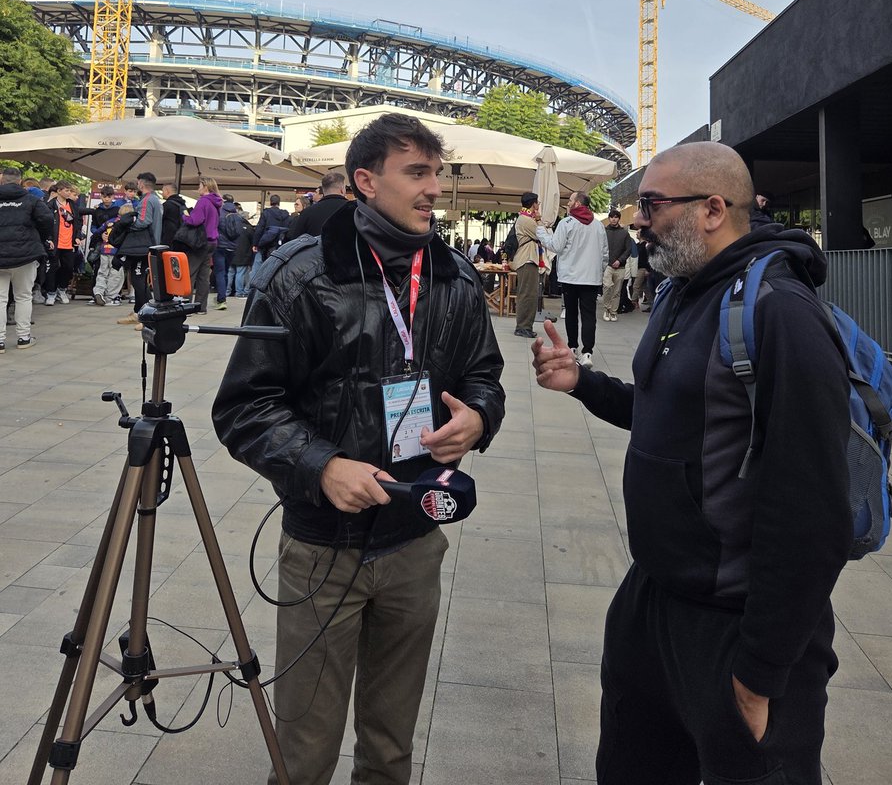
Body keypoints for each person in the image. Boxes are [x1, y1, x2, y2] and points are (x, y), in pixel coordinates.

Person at [532, 141, 852, 785]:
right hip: (654, 600)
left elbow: (815, 513)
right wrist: (583, 383)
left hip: (736, 623)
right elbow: (666, 418)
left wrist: (760, 676)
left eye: (651, 204)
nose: (639, 218)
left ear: (712, 209)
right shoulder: (683, 292)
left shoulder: (781, 312)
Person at [212, 112, 505, 785]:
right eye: (417, 173)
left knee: (391, 743)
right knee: (306, 748)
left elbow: (483, 375)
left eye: (438, 173)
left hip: (416, 535)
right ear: (365, 181)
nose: (435, 189)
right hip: (322, 546)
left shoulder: (456, 276)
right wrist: (321, 465)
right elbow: (244, 407)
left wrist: (479, 418)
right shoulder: (298, 275)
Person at [536, 191, 608, 368]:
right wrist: (598, 270)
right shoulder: (598, 226)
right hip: (591, 279)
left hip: (570, 277)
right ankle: (587, 352)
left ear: (577, 203)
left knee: (571, 313)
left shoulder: (567, 223)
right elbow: (605, 254)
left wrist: (540, 231)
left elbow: (555, 245)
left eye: (570, 200)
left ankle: (573, 347)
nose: (568, 203)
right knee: (589, 315)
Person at [0, 167, 52, 351]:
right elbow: (47, 219)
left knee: (0, 299)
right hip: (25, 254)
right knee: (23, 296)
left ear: (2, 180)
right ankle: (23, 337)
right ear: (20, 181)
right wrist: (42, 237)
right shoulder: (31, 199)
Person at [114, 172, 163, 326]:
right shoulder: (155, 199)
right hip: (150, 245)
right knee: (139, 280)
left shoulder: (147, 200)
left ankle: (147, 316)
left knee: (139, 280)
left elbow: (143, 221)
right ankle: (139, 313)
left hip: (144, 247)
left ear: (141, 183)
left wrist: (126, 226)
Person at [175, 177, 222, 314]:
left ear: (206, 186)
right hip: (212, 242)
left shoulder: (203, 201)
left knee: (190, 273)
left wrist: (185, 216)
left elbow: (196, 220)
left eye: (200, 185)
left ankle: (187, 307)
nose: (198, 187)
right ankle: (201, 307)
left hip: (200, 242)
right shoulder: (216, 202)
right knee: (203, 276)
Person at [43, 182, 82, 305]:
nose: (69, 193)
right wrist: (48, 239)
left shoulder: (73, 205)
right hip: (55, 241)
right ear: (59, 191)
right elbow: (46, 223)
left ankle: (62, 289)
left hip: (69, 242)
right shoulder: (50, 205)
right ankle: (51, 292)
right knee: (53, 267)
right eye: (67, 190)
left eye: (70, 191)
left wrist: (77, 236)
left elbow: (78, 222)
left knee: (68, 267)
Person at [285, 170, 349, 241]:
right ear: (342, 189)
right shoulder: (355, 209)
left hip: (315, 251)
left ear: (324, 190)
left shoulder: (307, 212)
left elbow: (296, 241)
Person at [511, 191, 542, 338]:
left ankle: (525, 325)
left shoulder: (525, 218)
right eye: (538, 203)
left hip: (528, 259)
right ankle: (523, 326)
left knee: (529, 293)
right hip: (527, 259)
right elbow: (542, 235)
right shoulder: (526, 220)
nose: (538, 205)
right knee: (528, 294)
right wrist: (539, 219)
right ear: (533, 203)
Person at [212, 193, 243, 310]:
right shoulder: (237, 214)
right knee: (225, 271)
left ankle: (221, 299)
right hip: (232, 248)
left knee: (220, 272)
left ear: (223, 201)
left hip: (220, 246)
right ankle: (223, 295)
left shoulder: (219, 212)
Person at [601, 209, 631, 322]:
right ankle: (606, 309)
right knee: (607, 287)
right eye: (612, 217)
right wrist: (608, 261)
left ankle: (613, 312)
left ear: (619, 218)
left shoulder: (624, 233)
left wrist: (620, 260)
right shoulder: (604, 232)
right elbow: (601, 247)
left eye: (616, 217)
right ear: (609, 218)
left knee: (617, 291)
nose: (614, 219)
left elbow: (628, 249)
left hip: (621, 266)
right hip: (608, 265)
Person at [251, 193, 291, 267]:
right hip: (280, 245)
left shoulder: (266, 213)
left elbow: (259, 229)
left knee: (258, 266)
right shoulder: (286, 215)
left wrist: (255, 243)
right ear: (279, 203)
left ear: (270, 202)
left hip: (266, 245)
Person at [226, 205, 254, 298]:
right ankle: (239, 292)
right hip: (243, 254)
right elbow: (253, 241)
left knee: (230, 273)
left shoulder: (230, 226)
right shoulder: (248, 228)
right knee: (240, 273)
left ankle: (226, 291)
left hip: (230, 252)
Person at [160, 182, 187, 247]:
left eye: (163, 191)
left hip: (168, 240)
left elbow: (158, 220)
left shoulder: (166, 205)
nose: (162, 193)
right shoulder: (183, 205)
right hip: (181, 239)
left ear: (167, 191)